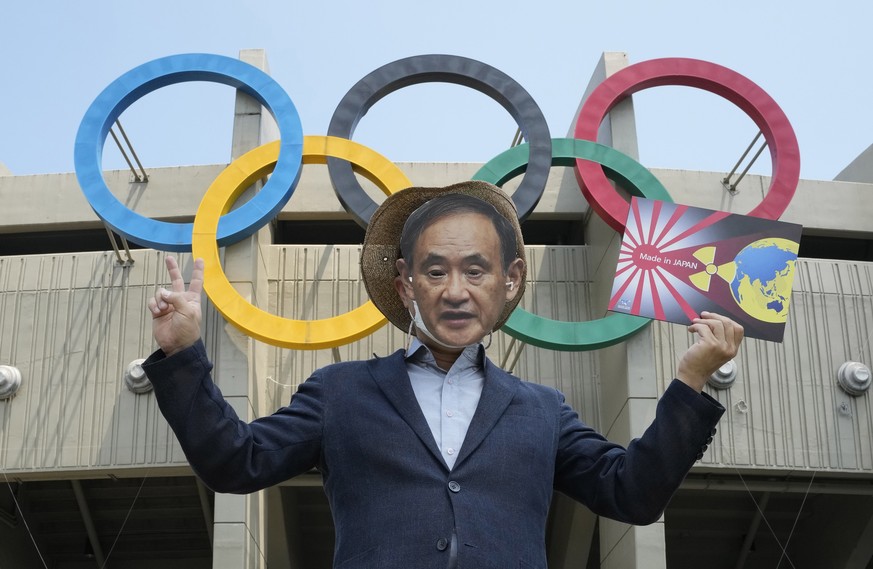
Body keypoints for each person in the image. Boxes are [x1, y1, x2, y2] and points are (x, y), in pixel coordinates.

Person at [143, 180, 743, 569]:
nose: (455, 292)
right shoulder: (341, 393)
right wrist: (182, 354)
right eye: (435, 272)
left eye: (475, 271)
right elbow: (234, 462)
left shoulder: (543, 409)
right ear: (406, 283)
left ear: (508, 281)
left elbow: (631, 493)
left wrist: (690, 379)